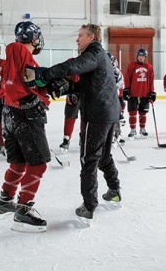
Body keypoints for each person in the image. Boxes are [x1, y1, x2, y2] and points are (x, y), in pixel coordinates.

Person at [32, 24, 122, 226]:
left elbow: (73, 66)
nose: (77, 39)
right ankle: (115, 191)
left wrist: (45, 74)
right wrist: (67, 87)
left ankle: (88, 206)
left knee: (88, 159)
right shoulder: (101, 56)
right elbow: (87, 84)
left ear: (91, 36)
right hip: (109, 113)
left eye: (80, 36)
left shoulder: (94, 53)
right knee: (104, 156)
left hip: (97, 115)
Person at [0, 21, 53, 233]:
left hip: (8, 114)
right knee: (38, 165)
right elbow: (30, 81)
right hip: (24, 117)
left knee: (18, 163)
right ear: (33, 38)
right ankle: (24, 209)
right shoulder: (23, 54)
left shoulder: (10, 55)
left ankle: (5, 200)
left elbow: (19, 82)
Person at [123, 48, 155, 138]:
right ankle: (133, 130)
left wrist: (152, 92)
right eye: (140, 56)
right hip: (133, 94)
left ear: (145, 57)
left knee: (143, 113)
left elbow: (151, 81)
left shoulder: (149, 67)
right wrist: (126, 89)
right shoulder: (131, 65)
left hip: (145, 93)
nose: (141, 58)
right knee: (132, 113)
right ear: (137, 56)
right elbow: (127, 78)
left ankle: (142, 129)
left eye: (143, 56)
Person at [59, 73, 80, 153]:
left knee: (85, 117)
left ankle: (83, 137)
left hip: (85, 94)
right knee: (70, 116)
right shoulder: (72, 62)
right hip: (73, 94)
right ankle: (66, 138)